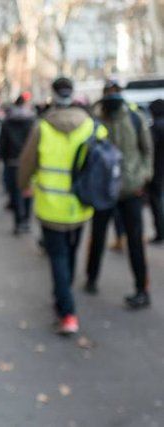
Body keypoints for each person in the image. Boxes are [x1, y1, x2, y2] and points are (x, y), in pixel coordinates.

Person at [19, 77, 103, 335]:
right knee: (70, 253)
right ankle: (63, 296)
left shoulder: (42, 127)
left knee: (58, 258)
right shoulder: (91, 127)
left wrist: (24, 186)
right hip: (80, 206)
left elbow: (27, 163)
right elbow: (105, 159)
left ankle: (67, 312)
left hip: (50, 206)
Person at [84, 80, 153, 309]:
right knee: (98, 236)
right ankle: (91, 278)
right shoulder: (96, 122)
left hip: (130, 190)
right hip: (104, 192)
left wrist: (143, 176)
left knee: (135, 241)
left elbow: (147, 151)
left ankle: (141, 289)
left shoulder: (135, 120)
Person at [0, 95, 35, 234]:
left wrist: (4, 157)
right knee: (27, 192)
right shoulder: (32, 121)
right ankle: (26, 219)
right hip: (28, 163)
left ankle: (18, 221)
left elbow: (2, 143)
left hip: (12, 162)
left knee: (15, 193)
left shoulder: (7, 121)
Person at [148, 99, 164, 243]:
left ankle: (160, 233)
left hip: (157, 171)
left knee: (157, 202)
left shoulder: (154, 128)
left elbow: (149, 150)